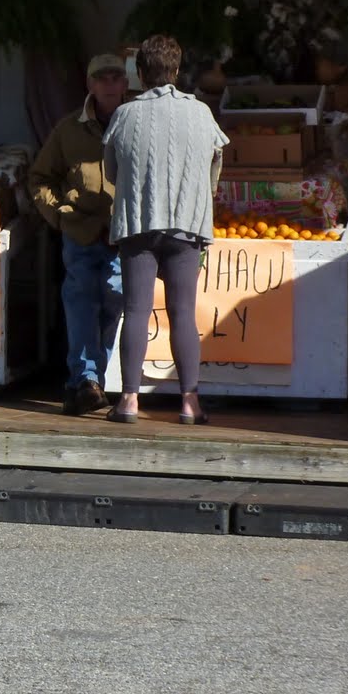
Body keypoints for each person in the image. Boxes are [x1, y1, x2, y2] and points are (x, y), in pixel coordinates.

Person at [103, 34, 228, 426]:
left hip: (137, 223)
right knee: (183, 313)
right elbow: (215, 165)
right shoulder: (201, 113)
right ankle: (190, 403)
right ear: (176, 71)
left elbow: (111, 172)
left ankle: (128, 401)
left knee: (136, 310)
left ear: (140, 73)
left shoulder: (124, 115)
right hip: (186, 225)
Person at [28, 53, 129, 417]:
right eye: (102, 78)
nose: (109, 84)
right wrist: (58, 216)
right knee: (81, 303)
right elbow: (40, 178)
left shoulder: (135, 124)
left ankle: (87, 382)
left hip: (122, 234)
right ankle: (86, 379)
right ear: (90, 84)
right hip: (80, 232)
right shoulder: (68, 128)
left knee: (114, 303)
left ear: (125, 84)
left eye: (115, 77)